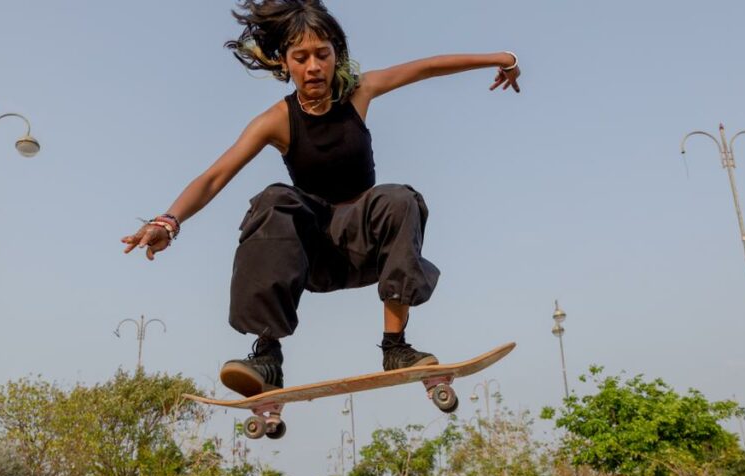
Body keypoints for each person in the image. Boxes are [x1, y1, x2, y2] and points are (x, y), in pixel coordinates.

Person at [121, 0, 521, 397]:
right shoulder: (276, 120)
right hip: (310, 255)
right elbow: (214, 177)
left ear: (335, 56)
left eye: (322, 55)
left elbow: (427, 67)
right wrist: (167, 222)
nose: (313, 66)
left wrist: (503, 58)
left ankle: (396, 347)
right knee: (274, 199)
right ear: (285, 63)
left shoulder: (359, 93)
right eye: (301, 57)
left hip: (367, 250)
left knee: (400, 198)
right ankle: (266, 356)